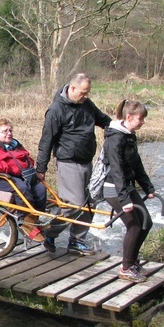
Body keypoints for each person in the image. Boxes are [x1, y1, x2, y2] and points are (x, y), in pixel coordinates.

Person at [36, 73, 112, 255]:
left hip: (87, 161)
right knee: (73, 206)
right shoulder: (56, 110)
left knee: (89, 203)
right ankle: (48, 232)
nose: (86, 96)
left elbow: (103, 120)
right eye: (83, 93)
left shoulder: (87, 104)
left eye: (88, 93)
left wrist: (118, 129)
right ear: (72, 88)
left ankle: (77, 241)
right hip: (68, 162)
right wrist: (41, 168)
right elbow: (46, 140)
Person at [103, 99, 156, 282]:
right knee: (133, 225)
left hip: (126, 186)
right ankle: (126, 267)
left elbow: (137, 164)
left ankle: (132, 261)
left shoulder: (129, 135)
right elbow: (116, 171)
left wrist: (148, 187)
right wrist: (125, 200)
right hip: (113, 189)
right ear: (129, 117)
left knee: (146, 223)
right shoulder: (115, 138)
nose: (143, 122)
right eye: (141, 118)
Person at [0, 117, 46, 242]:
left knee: (40, 189)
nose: (9, 133)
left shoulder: (14, 144)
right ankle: (24, 221)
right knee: (22, 189)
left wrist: (28, 169)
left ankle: (35, 218)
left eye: (10, 130)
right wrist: (12, 168)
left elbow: (27, 158)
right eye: (4, 131)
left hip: (18, 175)